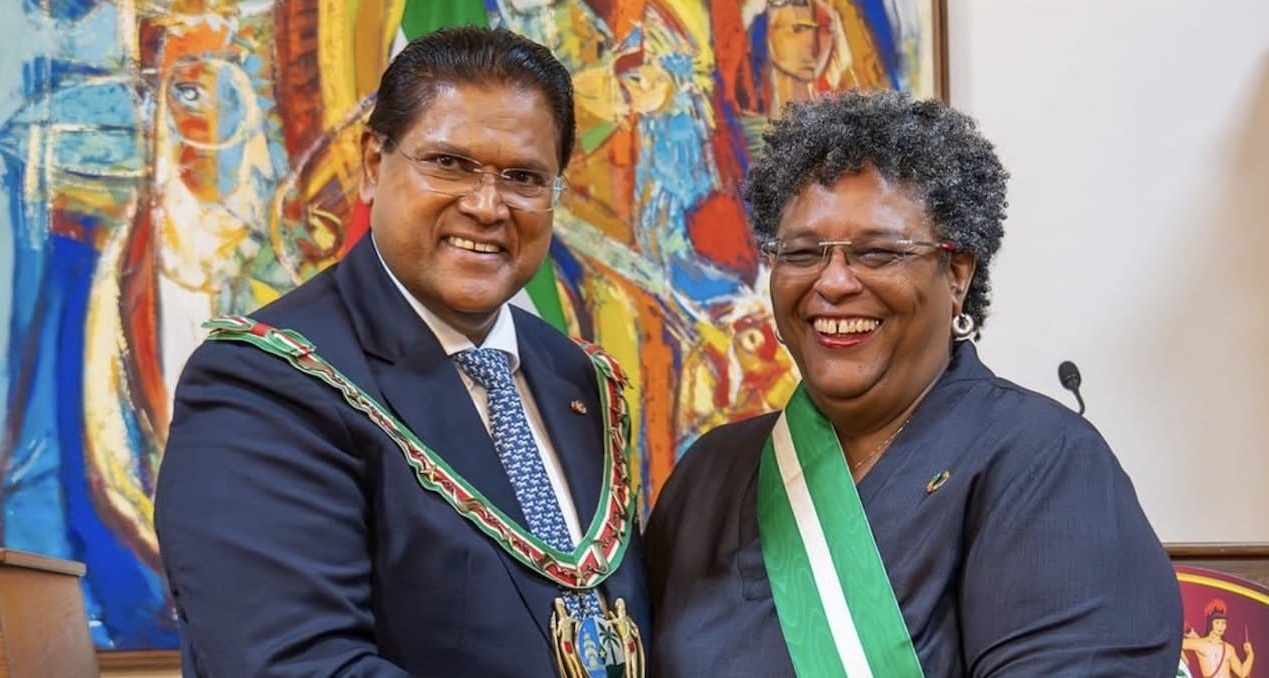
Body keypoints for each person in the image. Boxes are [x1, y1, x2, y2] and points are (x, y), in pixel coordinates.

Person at [155, 27, 648, 677]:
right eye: (449, 163)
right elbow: (296, 666)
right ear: (371, 164)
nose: (487, 205)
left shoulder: (578, 377)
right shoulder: (264, 380)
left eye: (524, 177)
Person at [644, 89, 1182, 676]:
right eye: (801, 253)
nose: (833, 282)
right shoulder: (709, 476)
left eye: (877, 252)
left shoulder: (1044, 463)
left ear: (957, 275)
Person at [1184, 599, 1255, 677]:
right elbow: (1177, 644)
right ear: (1211, 624)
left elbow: (1242, 673)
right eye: (1217, 622)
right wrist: (1184, 661)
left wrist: (1250, 654)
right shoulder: (1200, 644)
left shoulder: (1229, 648)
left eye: (1223, 623)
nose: (1220, 626)